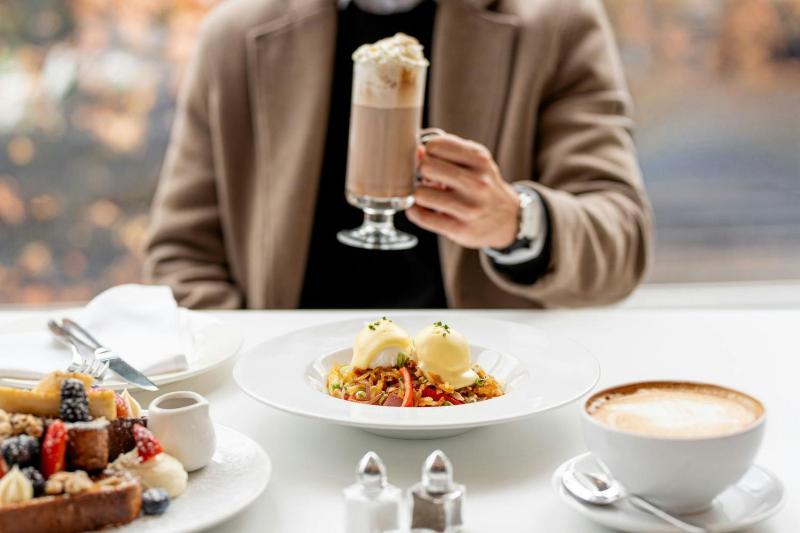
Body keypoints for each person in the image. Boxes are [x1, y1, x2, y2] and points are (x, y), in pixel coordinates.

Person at [145, 0, 653, 309]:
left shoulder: (558, 22)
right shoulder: (233, 36)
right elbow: (180, 257)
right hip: (287, 394)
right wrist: (252, 365)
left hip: (484, 393)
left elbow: (621, 245)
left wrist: (516, 221)